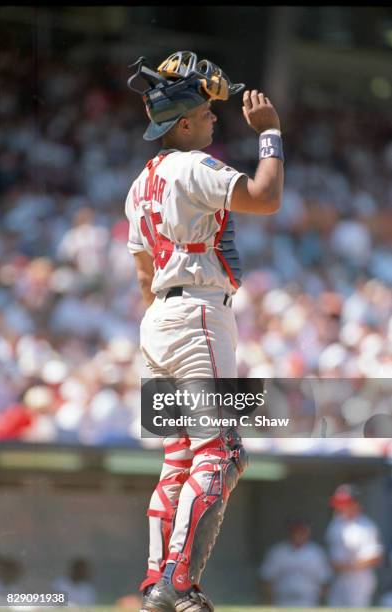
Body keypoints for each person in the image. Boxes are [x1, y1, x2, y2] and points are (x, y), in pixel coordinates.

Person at [125, 50, 284, 612]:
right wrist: (270, 135)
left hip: (157, 321)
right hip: (196, 313)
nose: (216, 120)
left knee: (177, 458)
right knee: (221, 453)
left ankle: (154, 583)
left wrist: (163, 321)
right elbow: (265, 197)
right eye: (208, 114)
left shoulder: (139, 183)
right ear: (184, 123)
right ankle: (177, 583)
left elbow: (144, 274)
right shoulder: (194, 166)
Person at [326, 483, 384, 607]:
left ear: (355, 503)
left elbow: (376, 557)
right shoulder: (335, 523)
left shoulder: (367, 526)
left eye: (345, 502)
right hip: (339, 577)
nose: (341, 506)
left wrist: (349, 565)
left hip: (359, 579)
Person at [258, 517, 331, 607]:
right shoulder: (278, 552)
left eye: (303, 532)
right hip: (282, 600)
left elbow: (325, 581)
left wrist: (322, 603)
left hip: (308, 600)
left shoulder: (316, 553)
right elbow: (267, 579)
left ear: (308, 533)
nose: (299, 534)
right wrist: (269, 601)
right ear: (290, 532)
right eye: (296, 531)